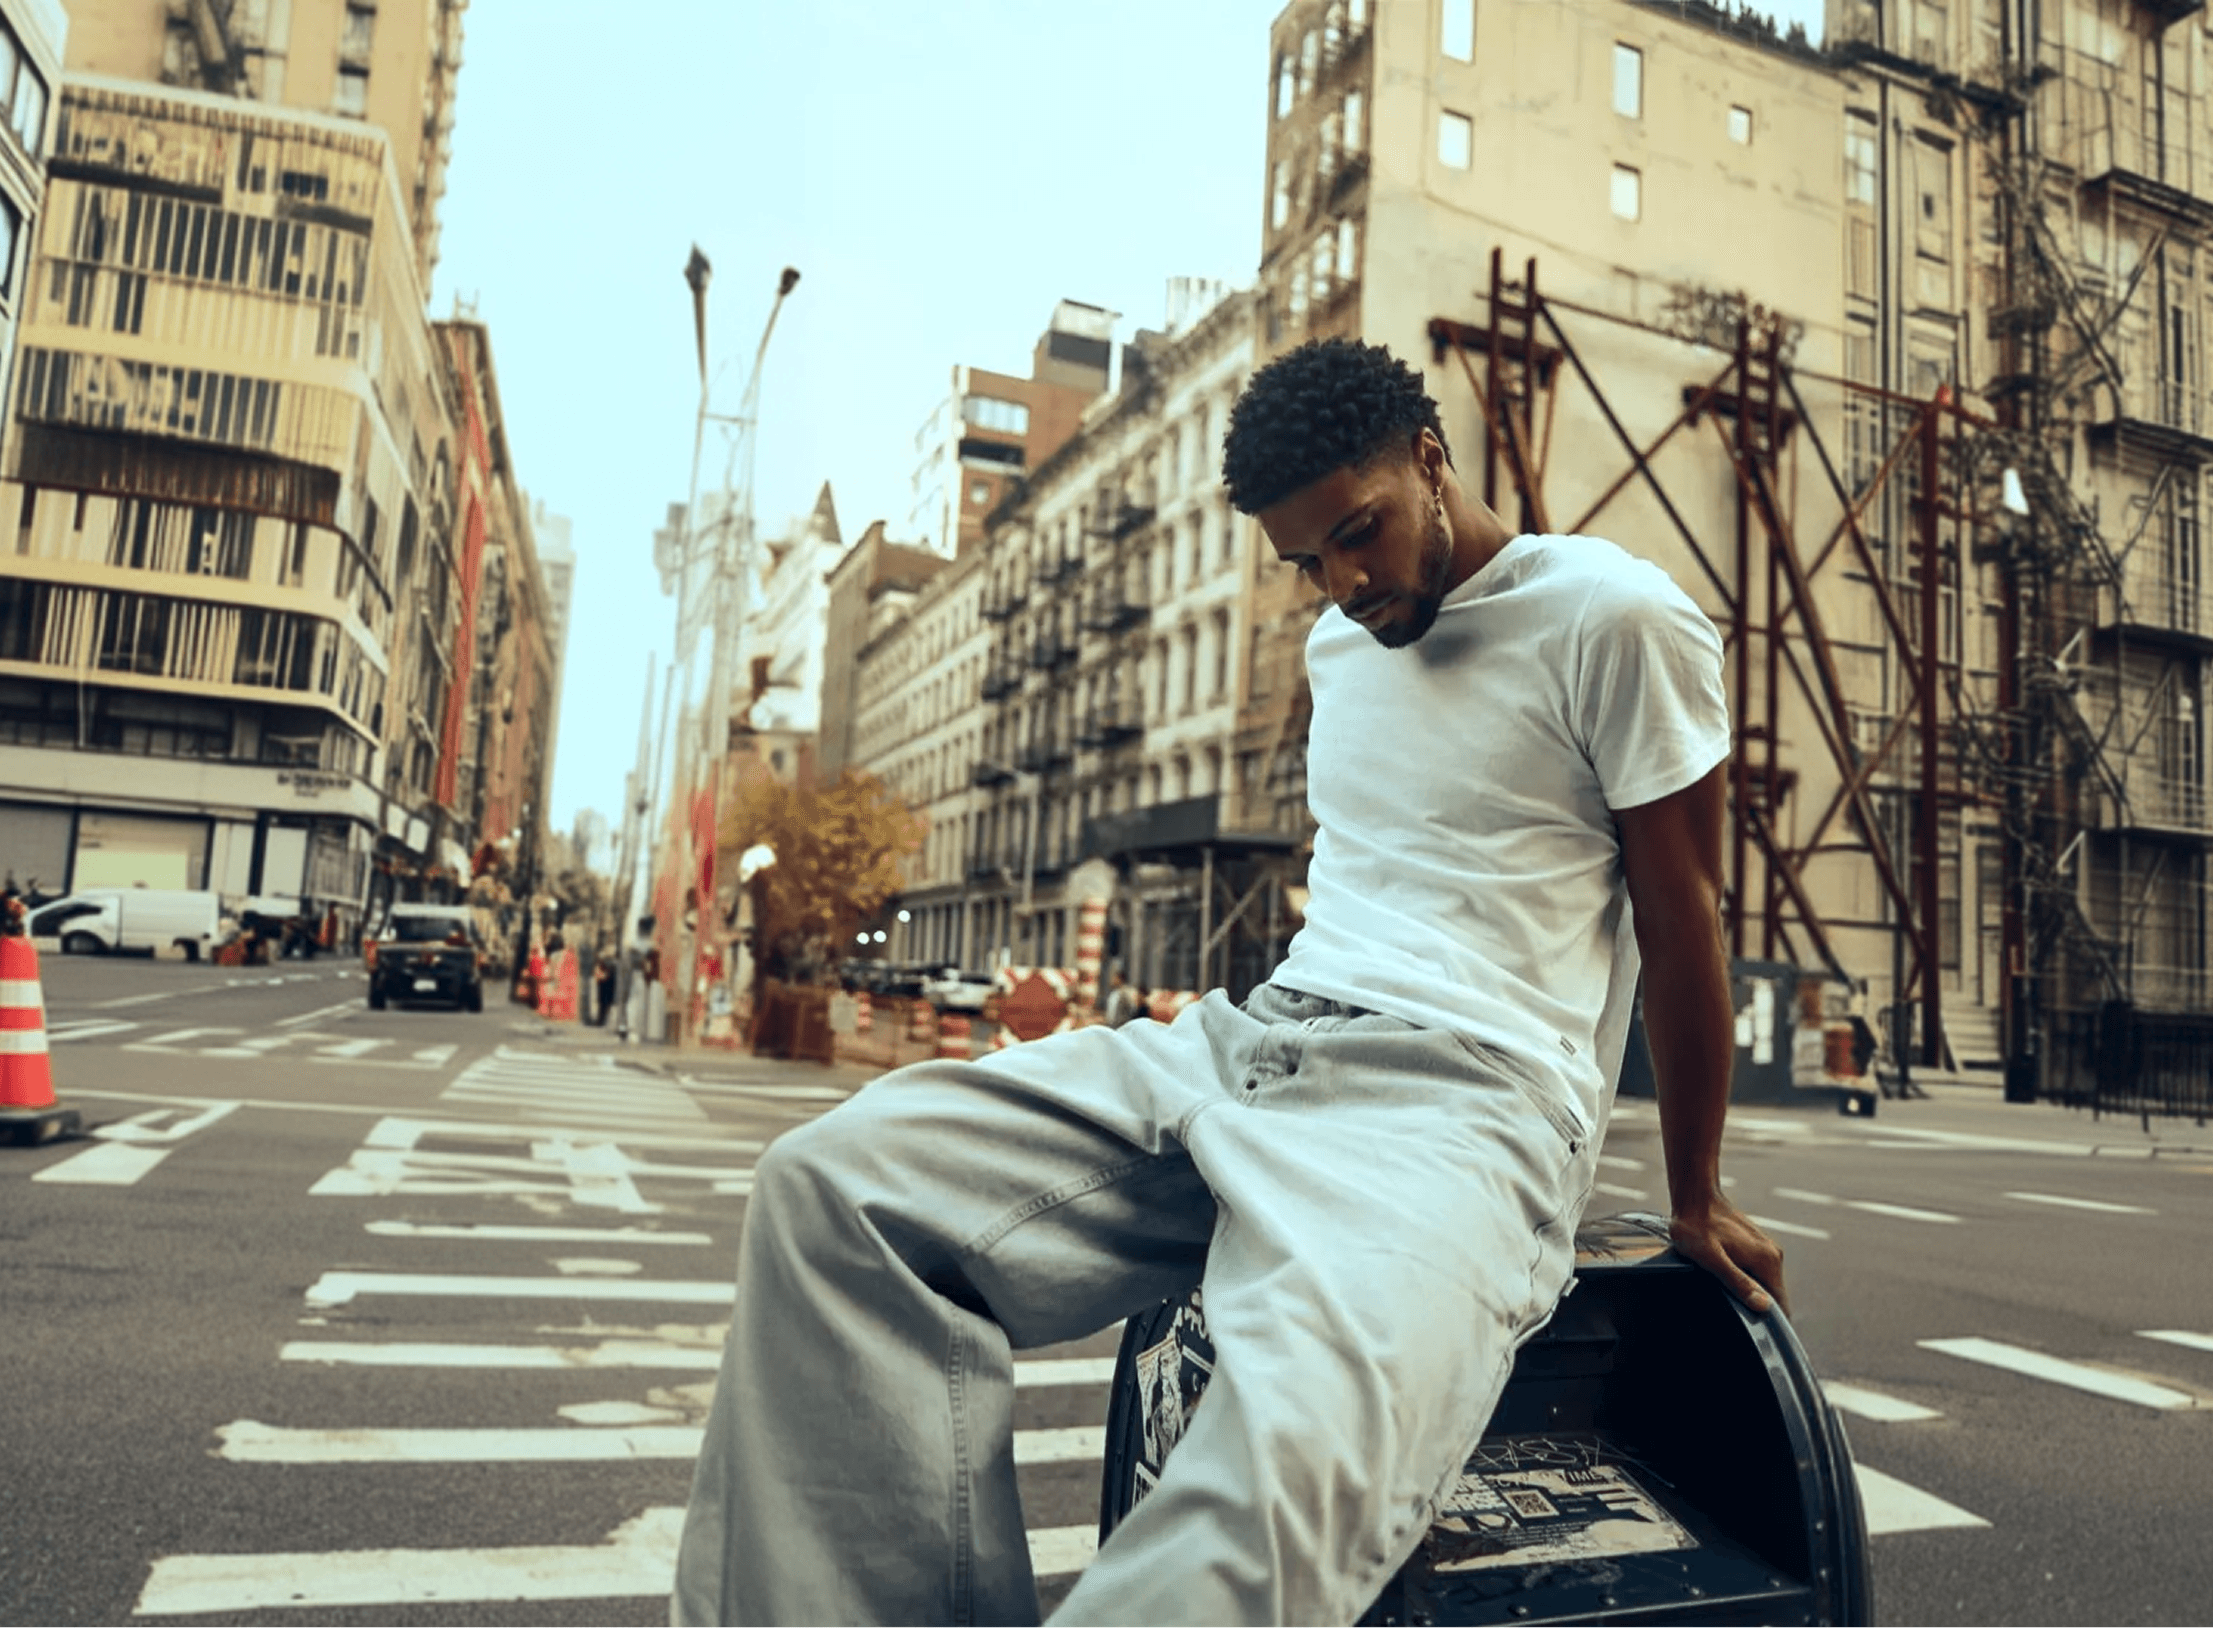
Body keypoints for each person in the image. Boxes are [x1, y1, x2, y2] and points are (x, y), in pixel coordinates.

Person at [672, 338, 1784, 1628]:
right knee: (829, 1192)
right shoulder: (1339, 651)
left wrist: (1696, 1192)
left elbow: (1680, 911)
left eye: (1358, 532)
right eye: (1307, 560)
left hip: (1459, 1102)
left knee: (1271, 1477)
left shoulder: (1613, 615)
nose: (1343, 583)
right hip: (1254, 1046)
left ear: (1431, 458)